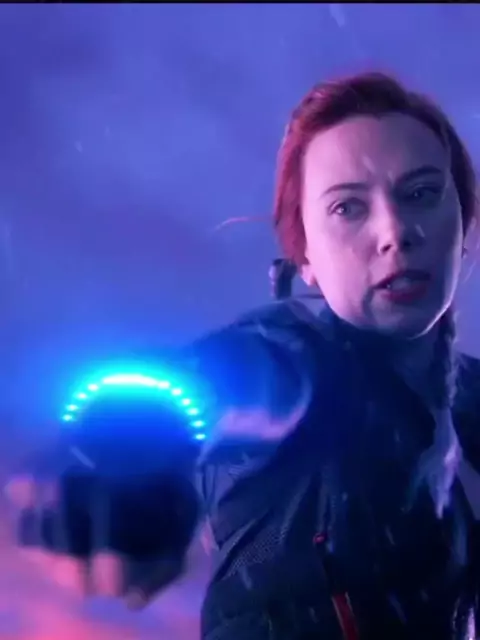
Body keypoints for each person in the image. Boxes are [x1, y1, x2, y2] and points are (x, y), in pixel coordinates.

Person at [7, 71, 480, 639]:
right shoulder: (300, 363)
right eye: (347, 208)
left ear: (464, 223)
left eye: (421, 193)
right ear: (305, 257)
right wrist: (133, 439)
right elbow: (226, 381)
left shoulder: (468, 399)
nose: (395, 232)